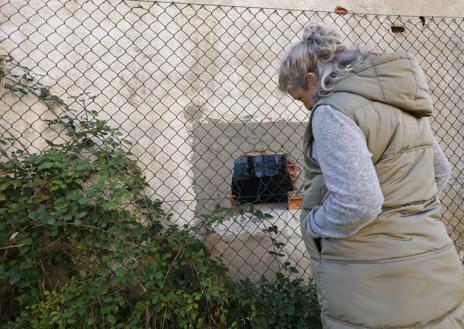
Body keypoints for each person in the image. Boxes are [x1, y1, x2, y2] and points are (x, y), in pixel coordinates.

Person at [278, 22, 464, 328]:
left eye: (301, 98)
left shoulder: (331, 112)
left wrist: (313, 224)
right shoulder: (399, 103)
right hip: (437, 273)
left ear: (312, 80)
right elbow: (440, 172)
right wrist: (405, 211)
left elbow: (360, 202)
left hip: (373, 288)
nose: (306, 108)